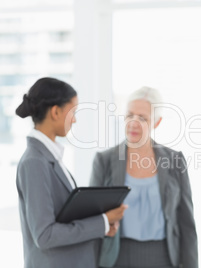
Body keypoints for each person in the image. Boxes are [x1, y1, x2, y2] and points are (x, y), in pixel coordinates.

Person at [15, 77, 127, 268]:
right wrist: (102, 222)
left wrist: (103, 225)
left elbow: (63, 218)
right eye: (73, 112)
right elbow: (45, 235)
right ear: (56, 112)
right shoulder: (35, 162)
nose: (75, 119)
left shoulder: (48, 157)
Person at [90, 86, 198, 268]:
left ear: (157, 122)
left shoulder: (174, 161)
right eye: (129, 115)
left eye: (142, 118)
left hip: (163, 256)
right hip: (116, 256)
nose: (133, 123)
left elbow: (186, 223)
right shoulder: (105, 160)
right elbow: (92, 219)